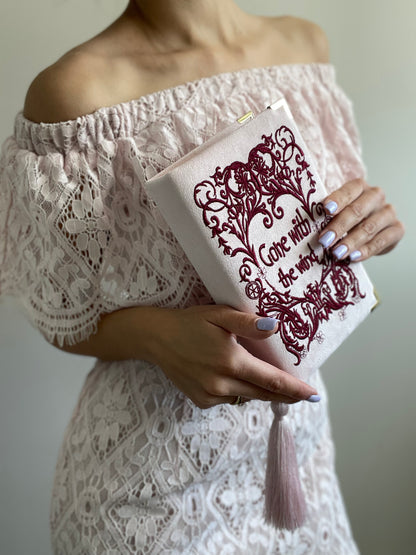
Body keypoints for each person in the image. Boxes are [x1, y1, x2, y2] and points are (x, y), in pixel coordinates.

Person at [0, 0, 405, 553]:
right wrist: (158, 337)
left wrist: (369, 222)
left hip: (299, 456)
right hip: (149, 487)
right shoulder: (75, 91)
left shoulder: (304, 46)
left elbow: (312, 240)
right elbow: (60, 308)